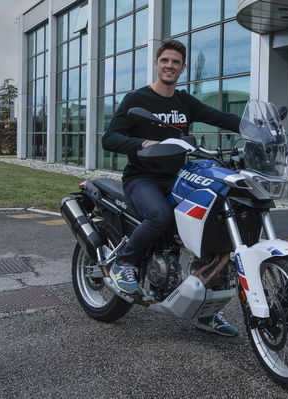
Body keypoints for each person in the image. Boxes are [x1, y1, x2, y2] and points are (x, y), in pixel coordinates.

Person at [102, 39, 240, 337]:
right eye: (165, 60)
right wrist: (142, 144)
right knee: (160, 215)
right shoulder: (136, 100)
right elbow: (110, 138)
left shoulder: (184, 102)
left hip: (180, 178)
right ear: (156, 63)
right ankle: (123, 263)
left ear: (182, 68)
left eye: (175, 62)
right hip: (143, 178)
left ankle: (207, 310)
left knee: (213, 228)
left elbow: (221, 118)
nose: (169, 66)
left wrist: (261, 130)